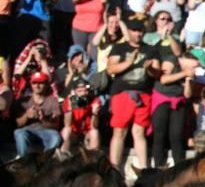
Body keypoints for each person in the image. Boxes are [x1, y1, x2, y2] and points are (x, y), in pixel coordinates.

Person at [106, 17, 159, 170]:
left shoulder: (150, 50)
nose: (138, 34)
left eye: (140, 31)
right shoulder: (119, 48)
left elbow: (157, 73)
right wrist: (129, 62)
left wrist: (150, 68)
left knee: (139, 131)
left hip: (143, 94)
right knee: (119, 130)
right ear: (128, 32)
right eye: (134, 31)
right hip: (122, 93)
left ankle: (143, 168)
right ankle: (114, 167)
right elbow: (111, 69)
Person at [13, 71, 63, 156]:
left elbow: (55, 126)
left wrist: (44, 119)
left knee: (56, 136)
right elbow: (17, 124)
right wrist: (26, 115)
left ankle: (47, 160)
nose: (37, 86)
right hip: (28, 131)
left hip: (46, 132)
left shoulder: (53, 101)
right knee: (19, 132)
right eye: (34, 83)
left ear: (46, 84)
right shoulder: (23, 100)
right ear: (31, 84)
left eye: (41, 83)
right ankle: (23, 161)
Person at [59, 78, 100, 152]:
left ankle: (94, 158)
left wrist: (94, 114)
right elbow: (67, 124)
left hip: (87, 134)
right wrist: (70, 109)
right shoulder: (69, 100)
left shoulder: (94, 101)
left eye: (85, 91)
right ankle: (63, 155)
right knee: (66, 130)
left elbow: (94, 126)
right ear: (74, 92)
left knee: (94, 132)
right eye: (79, 91)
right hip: (74, 134)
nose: (83, 93)